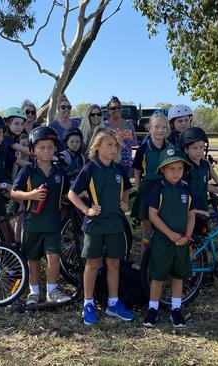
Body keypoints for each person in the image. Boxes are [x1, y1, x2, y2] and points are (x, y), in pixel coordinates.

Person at [68, 127, 134, 325]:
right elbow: (72, 194)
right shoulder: (90, 168)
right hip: (95, 225)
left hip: (115, 224)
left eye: (116, 146)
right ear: (97, 147)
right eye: (109, 145)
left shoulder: (119, 169)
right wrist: (86, 211)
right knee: (93, 264)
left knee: (114, 263)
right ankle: (88, 303)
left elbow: (126, 190)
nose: (113, 149)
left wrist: (124, 202)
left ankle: (113, 304)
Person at [11, 126, 72, 306]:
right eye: (41, 147)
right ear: (33, 150)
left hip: (53, 223)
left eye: (50, 147)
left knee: (54, 257)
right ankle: (34, 291)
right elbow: (14, 192)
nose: (46, 151)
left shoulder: (59, 172)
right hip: (31, 224)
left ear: (55, 149)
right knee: (33, 260)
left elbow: (69, 193)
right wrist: (30, 195)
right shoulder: (28, 170)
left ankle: (52, 290)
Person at [143, 148, 196, 328]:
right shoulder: (157, 190)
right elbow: (152, 215)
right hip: (163, 240)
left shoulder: (186, 190)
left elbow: (191, 215)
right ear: (162, 170)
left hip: (181, 241)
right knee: (158, 275)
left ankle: (176, 309)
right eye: (171, 168)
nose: (176, 172)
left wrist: (187, 236)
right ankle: (153, 308)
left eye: (179, 169)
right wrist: (170, 234)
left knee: (178, 275)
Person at [132, 112, 171, 259]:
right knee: (147, 231)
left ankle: (160, 260)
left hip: (166, 190)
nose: (160, 130)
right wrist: (138, 185)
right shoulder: (143, 148)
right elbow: (136, 169)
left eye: (163, 127)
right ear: (150, 129)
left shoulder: (170, 148)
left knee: (163, 228)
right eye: (156, 127)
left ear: (167, 129)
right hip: (148, 190)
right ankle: (143, 261)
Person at [179, 127, 218, 218]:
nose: (199, 151)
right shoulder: (185, 167)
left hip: (203, 206)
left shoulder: (204, 164)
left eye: (201, 147)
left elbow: (203, 186)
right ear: (186, 150)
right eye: (194, 148)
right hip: (188, 210)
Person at [103, 96, 137, 178]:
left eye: (119, 107)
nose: (117, 110)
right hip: (110, 164)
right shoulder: (104, 126)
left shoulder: (129, 124)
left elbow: (134, 143)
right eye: (113, 108)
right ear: (108, 110)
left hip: (127, 166)